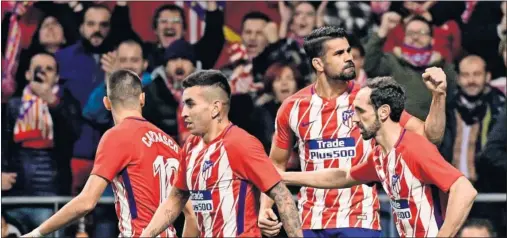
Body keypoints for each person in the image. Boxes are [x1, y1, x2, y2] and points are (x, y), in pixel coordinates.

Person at [258, 26, 447, 237]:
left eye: (348, 51)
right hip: (310, 221)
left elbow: (430, 136)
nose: (349, 58)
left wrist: (439, 96)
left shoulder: (370, 99)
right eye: (339, 53)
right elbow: (276, 163)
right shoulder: (292, 107)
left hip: (360, 219)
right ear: (318, 64)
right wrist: (266, 207)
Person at [281, 76, 477, 237]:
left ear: (383, 112)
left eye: (360, 111)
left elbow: (465, 190)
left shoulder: (413, 148)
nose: (354, 119)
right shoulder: (379, 156)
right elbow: (343, 176)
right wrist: (282, 176)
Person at [21, 70, 197, 237]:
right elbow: (193, 217)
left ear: (106, 102)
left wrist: (38, 233)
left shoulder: (117, 136)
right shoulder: (171, 144)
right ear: (142, 98)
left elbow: (86, 202)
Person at [140, 70, 302, 237]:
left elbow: (282, 194)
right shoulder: (190, 146)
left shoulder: (240, 143)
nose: (184, 113)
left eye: (190, 104)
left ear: (215, 108)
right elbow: (175, 199)